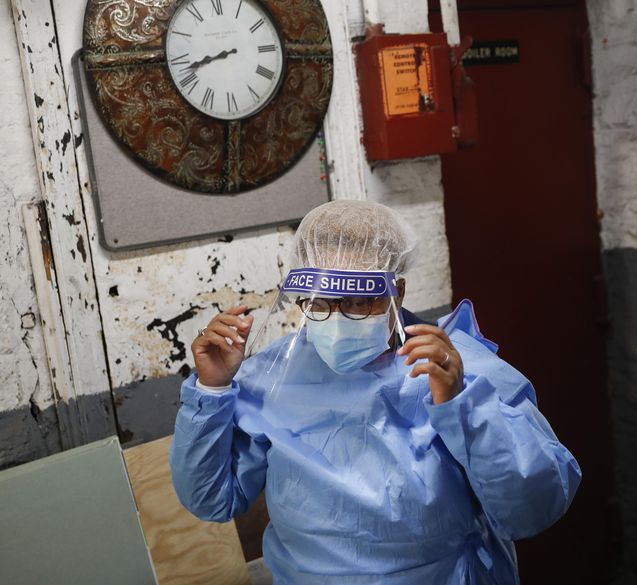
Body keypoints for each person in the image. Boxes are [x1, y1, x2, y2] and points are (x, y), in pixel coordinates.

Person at [170, 200, 581, 584]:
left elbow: (533, 508)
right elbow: (211, 501)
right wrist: (212, 387)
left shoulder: (457, 369)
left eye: (358, 302)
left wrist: (462, 405)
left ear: (395, 292)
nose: (334, 321)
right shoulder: (273, 377)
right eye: (318, 303)